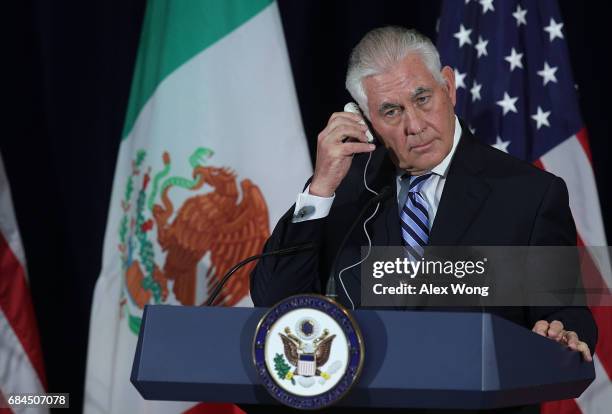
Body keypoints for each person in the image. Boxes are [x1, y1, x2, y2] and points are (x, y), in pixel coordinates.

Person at [248, 26, 597, 413]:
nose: (414, 125)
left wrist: (562, 335)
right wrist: (319, 190)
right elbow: (273, 303)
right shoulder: (344, 193)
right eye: (391, 111)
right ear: (364, 120)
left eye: (422, 98)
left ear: (448, 86)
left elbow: (566, 315)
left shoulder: (528, 194)